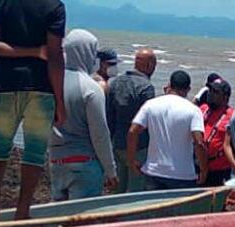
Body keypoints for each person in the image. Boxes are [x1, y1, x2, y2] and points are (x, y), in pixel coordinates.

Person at [0, 0, 66, 220]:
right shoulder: (54, 6)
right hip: (42, 88)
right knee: (35, 152)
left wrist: (31, 52)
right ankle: (22, 210)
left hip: (7, 85)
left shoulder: (0, 3)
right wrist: (60, 101)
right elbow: (55, 57)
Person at [48, 29, 118, 201]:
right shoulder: (91, 88)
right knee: (82, 222)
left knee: (60, 218)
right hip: (84, 163)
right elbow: (100, 134)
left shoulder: (50, 82)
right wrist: (110, 170)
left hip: (56, 161)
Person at [126, 70, 207, 190]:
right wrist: (204, 170)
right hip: (183, 175)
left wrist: (131, 160)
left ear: (170, 84)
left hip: (153, 172)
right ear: (188, 89)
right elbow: (199, 143)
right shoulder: (193, 110)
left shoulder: (151, 105)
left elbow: (133, 131)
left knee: (153, 208)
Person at [106, 47, 156, 193]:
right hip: (139, 147)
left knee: (116, 192)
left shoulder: (115, 82)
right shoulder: (146, 87)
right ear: (150, 65)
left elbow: (109, 117)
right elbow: (149, 122)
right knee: (135, 192)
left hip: (117, 144)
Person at [199, 78, 235, 186]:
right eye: (210, 91)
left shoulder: (231, 116)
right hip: (199, 166)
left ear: (225, 97)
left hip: (219, 170)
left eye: (215, 92)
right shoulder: (202, 109)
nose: (210, 94)